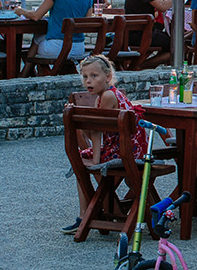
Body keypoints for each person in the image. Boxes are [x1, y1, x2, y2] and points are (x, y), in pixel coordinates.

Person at [63, 55, 148, 235]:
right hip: (128, 150)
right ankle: (86, 215)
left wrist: (95, 160)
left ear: (108, 77)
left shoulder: (108, 96)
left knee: (79, 162)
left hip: (124, 152)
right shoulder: (105, 95)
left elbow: (96, 132)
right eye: (85, 77)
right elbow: (93, 131)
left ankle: (84, 216)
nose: (88, 81)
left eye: (94, 76)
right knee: (79, 160)